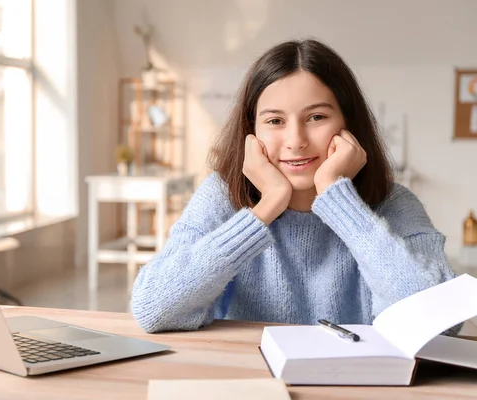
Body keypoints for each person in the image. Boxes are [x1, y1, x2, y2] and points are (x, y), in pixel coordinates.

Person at [130, 38, 456, 333]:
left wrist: (339, 201)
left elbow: (438, 326)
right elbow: (153, 309)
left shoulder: (394, 203)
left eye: (316, 117)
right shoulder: (222, 195)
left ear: (348, 125)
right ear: (252, 132)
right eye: (275, 121)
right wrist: (266, 207)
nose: (296, 141)